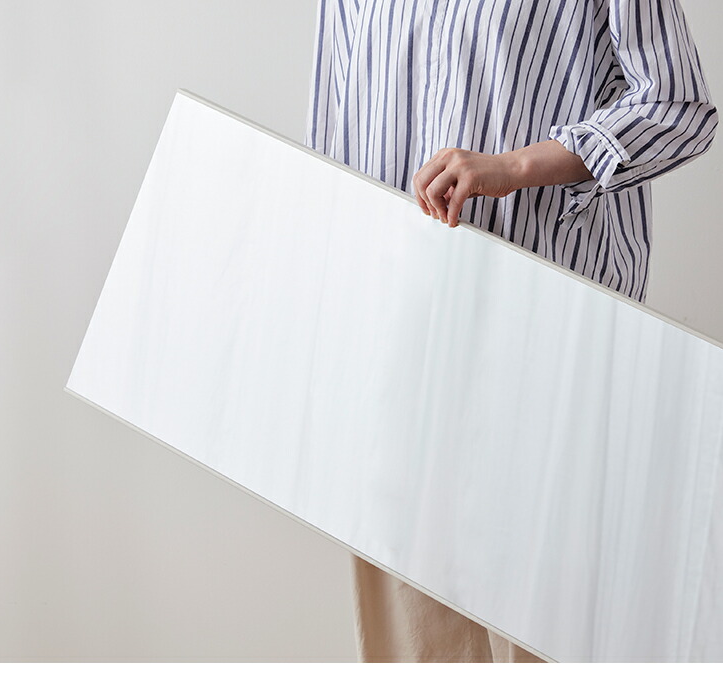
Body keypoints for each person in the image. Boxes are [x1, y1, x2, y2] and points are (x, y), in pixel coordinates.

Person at [305, 0, 718, 663]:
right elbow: (336, 114)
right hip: (397, 324)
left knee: (552, 626)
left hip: (543, 329)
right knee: (414, 636)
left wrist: (517, 166)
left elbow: (676, 106)